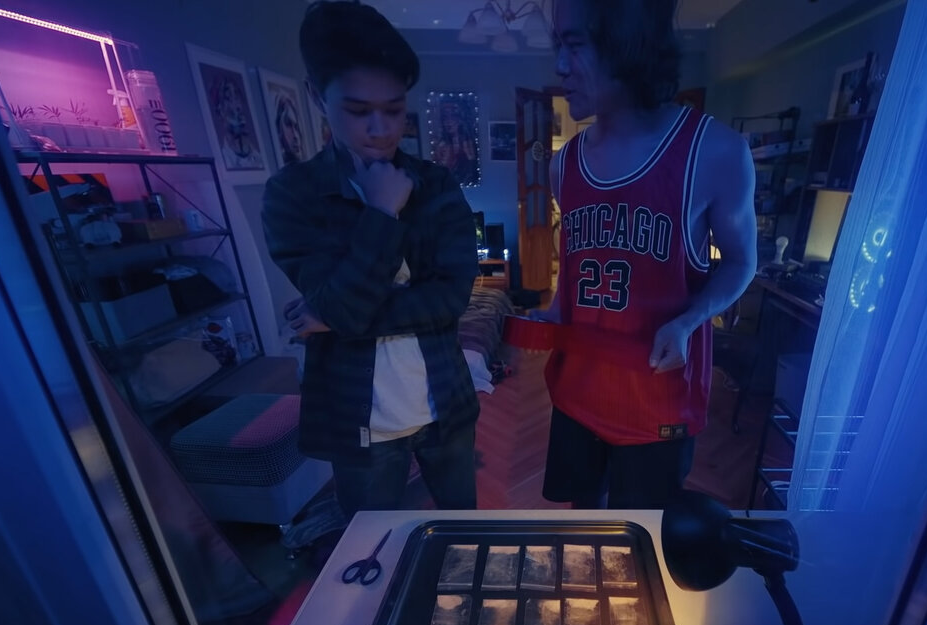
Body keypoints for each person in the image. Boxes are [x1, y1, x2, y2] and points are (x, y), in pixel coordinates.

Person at [533, 0, 757, 509]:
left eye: (574, 45)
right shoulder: (563, 165)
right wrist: (552, 314)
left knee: (641, 538)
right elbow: (578, 264)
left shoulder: (715, 152)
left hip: (658, 401)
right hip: (576, 391)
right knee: (581, 528)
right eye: (557, 46)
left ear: (626, 45)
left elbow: (741, 262)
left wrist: (689, 321)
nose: (560, 66)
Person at [262, 0, 480, 516]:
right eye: (359, 111)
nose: (381, 128)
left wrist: (337, 319)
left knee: (463, 529)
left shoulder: (436, 183)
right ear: (317, 96)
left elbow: (450, 299)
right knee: (369, 545)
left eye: (395, 108)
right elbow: (343, 307)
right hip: (355, 416)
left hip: (445, 404)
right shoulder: (294, 194)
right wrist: (382, 213)